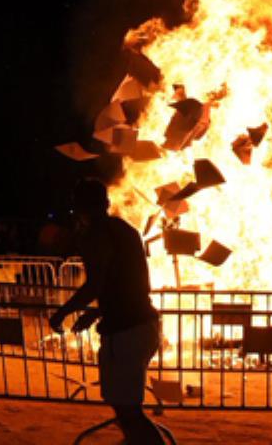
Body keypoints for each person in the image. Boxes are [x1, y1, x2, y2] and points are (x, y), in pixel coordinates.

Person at [49, 179, 162, 445]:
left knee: (129, 413)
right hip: (138, 326)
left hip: (127, 333)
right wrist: (99, 312)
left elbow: (95, 284)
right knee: (124, 409)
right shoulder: (124, 230)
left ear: (79, 208)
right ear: (106, 203)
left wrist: (62, 312)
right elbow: (126, 284)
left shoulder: (98, 235)